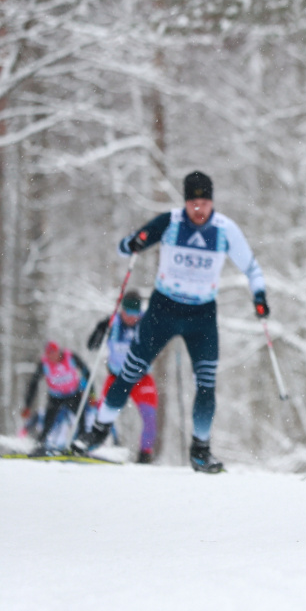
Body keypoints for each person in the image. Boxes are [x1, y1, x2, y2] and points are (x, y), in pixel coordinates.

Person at [74, 171, 270, 473]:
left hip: (201, 316)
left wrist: (259, 297)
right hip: (163, 311)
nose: (199, 209)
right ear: (185, 201)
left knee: (206, 384)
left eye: (204, 202)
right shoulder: (170, 222)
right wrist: (134, 242)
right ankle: (98, 431)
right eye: (193, 202)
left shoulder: (225, 229)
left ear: (212, 202)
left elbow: (253, 270)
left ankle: (200, 451)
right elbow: (125, 247)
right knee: (129, 373)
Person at [86, 290, 159, 464]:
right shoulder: (112, 323)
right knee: (102, 414)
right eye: (128, 313)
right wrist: (100, 330)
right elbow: (91, 346)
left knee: (149, 416)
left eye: (136, 313)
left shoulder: (147, 323)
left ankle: (145, 455)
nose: (132, 318)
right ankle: (92, 447)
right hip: (116, 378)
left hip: (141, 379)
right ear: (122, 311)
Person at [21, 341, 91, 454]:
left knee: (81, 419)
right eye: (49, 354)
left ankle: (82, 445)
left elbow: (87, 372)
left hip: (73, 394)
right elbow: (34, 384)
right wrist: (27, 405)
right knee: (48, 422)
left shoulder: (71, 357)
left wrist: (91, 393)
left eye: (53, 353)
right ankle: (40, 445)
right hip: (55, 397)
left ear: (59, 351)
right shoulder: (44, 364)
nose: (52, 357)